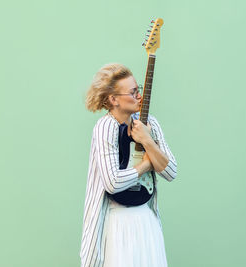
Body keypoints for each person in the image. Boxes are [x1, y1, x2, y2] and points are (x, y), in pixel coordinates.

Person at [80, 63, 178, 267]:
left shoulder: (150, 123)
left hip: (146, 220)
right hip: (117, 224)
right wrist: (145, 165)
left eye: (138, 90)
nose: (139, 97)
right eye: (132, 93)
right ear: (113, 99)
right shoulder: (105, 127)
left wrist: (147, 140)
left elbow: (171, 171)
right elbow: (113, 183)